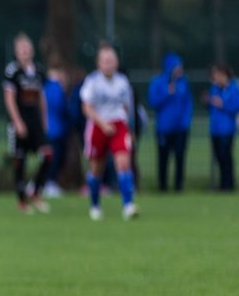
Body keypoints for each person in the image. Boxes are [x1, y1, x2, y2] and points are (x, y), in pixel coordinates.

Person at [80, 44, 138, 221]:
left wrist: (129, 128)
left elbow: (127, 107)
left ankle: (128, 205)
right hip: (98, 126)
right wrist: (102, 124)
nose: (109, 64)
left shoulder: (123, 82)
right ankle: (95, 205)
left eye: (111, 60)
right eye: (105, 61)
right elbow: (87, 108)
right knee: (97, 168)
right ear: (99, 63)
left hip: (119, 125)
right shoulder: (92, 82)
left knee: (123, 163)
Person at [3, 33, 53, 214]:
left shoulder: (38, 71)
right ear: (16, 52)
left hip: (35, 122)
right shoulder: (12, 71)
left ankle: (35, 191)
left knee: (47, 155)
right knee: (20, 160)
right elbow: (9, 98)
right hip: (19, 122)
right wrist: (17, 122)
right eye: (21, 50)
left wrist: (44, 120)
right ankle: (22, 201)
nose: (25, 53)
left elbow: (41, 97)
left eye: (27, 49)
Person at [147, 53, 192, 193]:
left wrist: (185, 122)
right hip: (164, 129)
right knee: (163, 159)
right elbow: (153, 102)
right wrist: (166, 93)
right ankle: (163, 187)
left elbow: (188, 104)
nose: (180, 70)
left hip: (181, 129)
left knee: (180, 158)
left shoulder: (184, 83)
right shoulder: (158, 82)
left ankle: (178, 187)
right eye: (177, 67)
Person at [205, 63, 239, 192]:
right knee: (218, 158)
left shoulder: (233, 88)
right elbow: (211, 108)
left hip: (227, 130)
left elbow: (238, 106)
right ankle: (222, 185)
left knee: (226, 157)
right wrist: (207, 102)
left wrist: (223, 105)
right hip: (215, 129)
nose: (215, 78)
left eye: (218, 75)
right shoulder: (214, 89)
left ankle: (229, 185)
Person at [41, 60, 69, 197]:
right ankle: (48, 183)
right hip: (55, 130)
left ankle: (46, 183)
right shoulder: (55, 87)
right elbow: (60, 107)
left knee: (49, 157)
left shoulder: (44, 86)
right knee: (54, 158)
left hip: (48, 129)